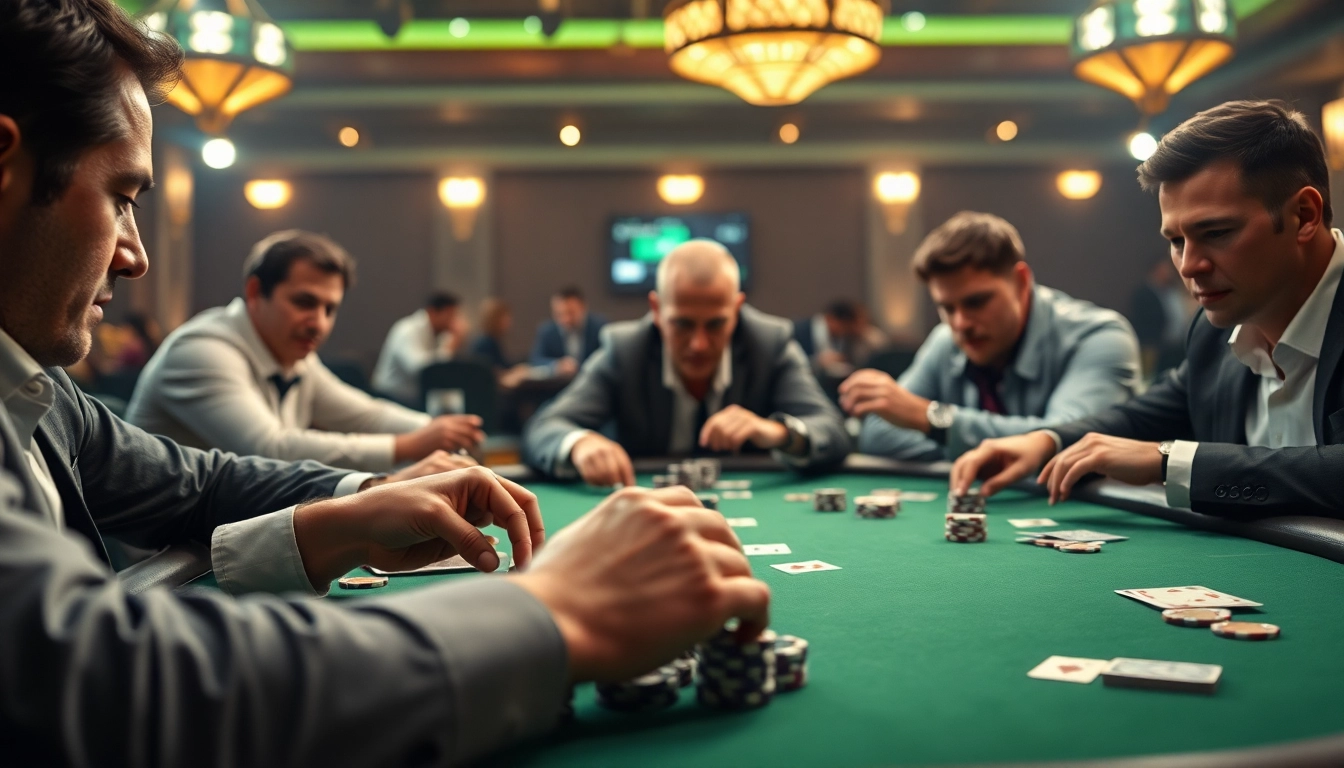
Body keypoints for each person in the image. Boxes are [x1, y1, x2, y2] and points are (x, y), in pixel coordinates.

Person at [0, 3, 771, 765]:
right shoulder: (200, 349)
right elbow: (104, 683)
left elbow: (199, 486)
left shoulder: (39, 390)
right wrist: (548, 613)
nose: (135, 256)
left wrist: (362, 496)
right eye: (123, 198)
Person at [951, 100, 1344, 520]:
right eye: (1176, 241)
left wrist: (1168, 461)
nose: (1190, 266)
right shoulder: (1214, 335)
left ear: (1304, 215)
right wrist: (1045, 440)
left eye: (1216, 232)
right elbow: (1142, 418)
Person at [127, 236, 484, 473]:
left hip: (225, 536)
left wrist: (446, 431)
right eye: (304, 302)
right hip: (166, 562)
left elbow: (366, 416)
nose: (319, 324)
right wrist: (411, 444)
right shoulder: (201, 350)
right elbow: (270, 450)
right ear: (255, 291)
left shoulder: (294, 354)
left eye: (330, 309)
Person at [523, 240, 852, 486]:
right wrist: (579, 442)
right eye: (682, 324)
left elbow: (833, 430)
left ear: (737, 309)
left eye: (715, 324)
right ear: (656, 309)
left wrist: (776, 431)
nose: (698, 344)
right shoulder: (624, 350)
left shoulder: (770, 343)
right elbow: (544, 427)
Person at [841, 212, 1142, 462]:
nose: (960, 323)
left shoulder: (1101, 337)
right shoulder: (946, 339)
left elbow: (1069, 440)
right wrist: (975, 448)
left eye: (976, 302)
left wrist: (934, 421)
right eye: (947, 307)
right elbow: (878, 435)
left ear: (1021, 282)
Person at [372, 291, 469, 405]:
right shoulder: (407, 330)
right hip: (391, 398)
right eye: (450, 315)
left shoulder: (440, 334)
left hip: (415, 398)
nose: (454, 321)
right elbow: (419, 370)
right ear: (432, 312)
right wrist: (450, 348)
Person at [1129, 259, 1195, 377]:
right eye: (1164, 269)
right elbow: (1144, 321)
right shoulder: (1143, 293)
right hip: (1153, 345)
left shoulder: (1171, 292)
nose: (1168, 272)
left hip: (1175, 347)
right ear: (1155, 270)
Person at [529, 285, 605, 376]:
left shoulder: (600, 327)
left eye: (571, 313)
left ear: (583, 308)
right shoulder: (547, 331)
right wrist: (556, 365)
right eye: (559, 314)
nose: (565, 319)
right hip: (557, 386)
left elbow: (608, 358)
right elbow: (535, 359)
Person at [470, 297, 534, 387]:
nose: (509, 321)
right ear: (495, 319)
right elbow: (490, 373)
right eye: (506, 317)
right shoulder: (485, 343)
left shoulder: (492, 340)